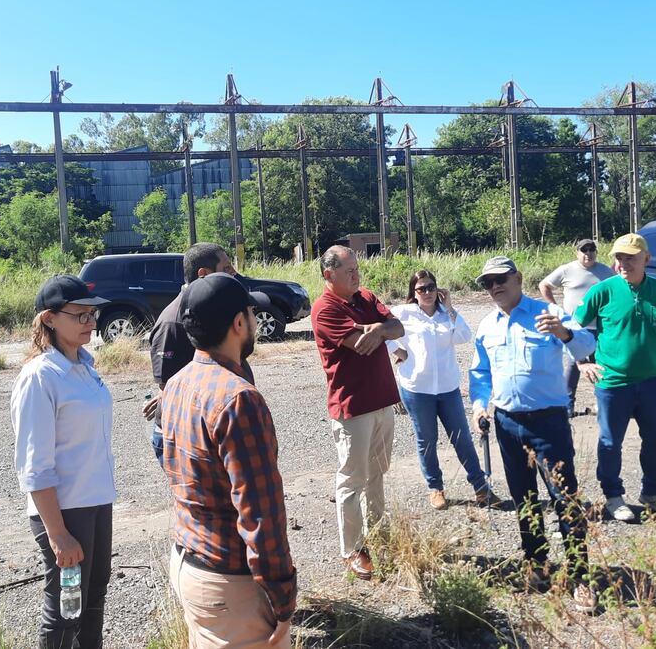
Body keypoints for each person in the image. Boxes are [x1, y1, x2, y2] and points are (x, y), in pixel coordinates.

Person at [160, 273, 296, 648]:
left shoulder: (177, 383)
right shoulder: (239, 399)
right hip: (230, 583)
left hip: (189, 564)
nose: (254, 321)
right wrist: (283, 598)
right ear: (239, 324)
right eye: (251, 313)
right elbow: (260, 513)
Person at [469, 256, 597, 612]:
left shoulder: (548, 313)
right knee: (524, 499)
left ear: (518, 278)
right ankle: (537, 565)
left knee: (565, 500)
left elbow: (587, 347)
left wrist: (564, 332)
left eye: (500, 279)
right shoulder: (487, 326)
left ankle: (580, 577)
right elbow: (480, 372)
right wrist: (480, 405)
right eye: (487, 282)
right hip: (508, 424)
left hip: (548, 423)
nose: (494, 287)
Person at [10, 275, 115, 649]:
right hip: (65, 512)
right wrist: (58, 534)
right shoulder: (40, 377)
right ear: (49, 319)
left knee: (93, 599)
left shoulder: (84, 366)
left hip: (96, 502)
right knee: (66, 609)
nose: (91, 322)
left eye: (93, 314)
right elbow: (33, 466)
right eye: (81, 315)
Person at [311, 245, 404, 581]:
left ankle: (379, 535)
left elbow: (397, 327)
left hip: (382, 401)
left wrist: (378, 329)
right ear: (328, 275)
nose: (356, 274)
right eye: (348, 270)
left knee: (378, 472)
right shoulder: (324, 308)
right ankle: (352, 549)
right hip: (352, 408)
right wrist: (378, 330)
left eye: (356, 268)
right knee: (353, 479)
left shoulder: (365, 296)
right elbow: (357, 343)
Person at [573, 233, 656, 523]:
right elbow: (573, 328)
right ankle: (614, 496)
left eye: (630, 257)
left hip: (654, 381)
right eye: (619, 257)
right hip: (613, 382)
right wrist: (582, 363)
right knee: (610, 442)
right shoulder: (602, 291)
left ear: (646, 259)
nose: (623, 262)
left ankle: (652, 495)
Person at [387, 269, 501, 510]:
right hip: (417, 388)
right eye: (421, 289)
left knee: (462, 438)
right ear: (413, 292)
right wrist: (398, 351)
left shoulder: (445, 315)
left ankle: (481, 488)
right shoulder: (403, 313)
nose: (427, 292)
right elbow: (381, 331)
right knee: (427, 440)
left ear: (437, 289)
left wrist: (449, 308)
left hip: (448, 388)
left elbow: (464, 336)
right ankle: (435, 488)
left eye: (430, 287)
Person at [143, 243, 250, 463]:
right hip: (188, 434)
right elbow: (170, 387)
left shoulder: (214, 307)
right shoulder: (173, 321)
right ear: (203, 274)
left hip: (217, 426)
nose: (233, 273)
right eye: (227, 267)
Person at [538, 239, 614, 416]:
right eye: (584, 250)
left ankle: (603, 404)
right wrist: (555, 309)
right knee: (575, 365)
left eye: (592, 249)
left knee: (600, 365)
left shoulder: (605, 271)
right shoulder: (567, 269)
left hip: (601, 327)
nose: (588, 253)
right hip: (575, 328)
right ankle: (567, 405)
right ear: (577, 253)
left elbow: (618, 289)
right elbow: (544, 285)